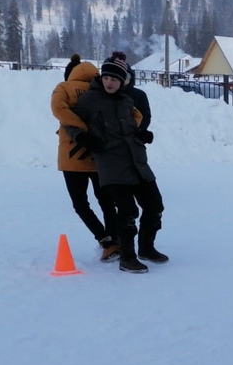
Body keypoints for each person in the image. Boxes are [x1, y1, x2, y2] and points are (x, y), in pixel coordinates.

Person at [71, 58, 166, 274]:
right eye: (106, 77)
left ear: (123, 81)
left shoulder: (126, 100)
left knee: (155, 206)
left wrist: (141, 134)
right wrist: (82, 137)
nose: (109, 82)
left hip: (137, 161)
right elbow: (69, 122)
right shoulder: (90, 100)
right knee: (127, 212)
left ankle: (146, 248)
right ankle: (127, 257)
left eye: (114, 78)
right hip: (111, 163)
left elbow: (131, 126)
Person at [50, 53, 117, 261]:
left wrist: (80, 127)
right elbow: (131, 113)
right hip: (99, 154)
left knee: (80, 204)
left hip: (72, 156)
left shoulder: (64, 88)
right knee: (106, 201)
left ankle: (106, 241)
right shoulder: (101, 90)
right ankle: (116, 239)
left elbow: (58, 108)